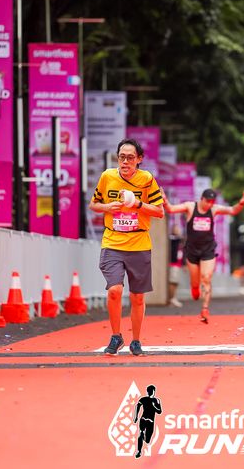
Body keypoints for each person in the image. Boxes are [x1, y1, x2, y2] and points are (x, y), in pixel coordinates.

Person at [89, 139, 164, 356]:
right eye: (121, 157)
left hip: (139, 243)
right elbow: (93, 204)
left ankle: (136, 341)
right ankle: (116, 336)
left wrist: (137, 204)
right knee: (114, 290)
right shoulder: (107, 177)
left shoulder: (146, 179)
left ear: (139, 159)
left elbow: (159, 211)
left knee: (137, 296)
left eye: (130, 158)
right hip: (112, 241)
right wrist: (107, 207)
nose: (125, 162)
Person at [163, 188, 244, 323]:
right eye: (207, 201)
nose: (209, 204)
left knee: (206, 278)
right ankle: (195, 288)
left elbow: (233, 210)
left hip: (208, 250)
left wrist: (242, 203)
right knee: (195, 283)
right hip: (192, 250)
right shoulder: (190, 207)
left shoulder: (214, 209)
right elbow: (170, 209)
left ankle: (205, 309)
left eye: (212, 202)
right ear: (202, 199)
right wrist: (164, 199)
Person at [133, 384, 162, 459]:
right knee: (141, 433)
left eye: (151, 391)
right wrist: (136, 416)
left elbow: (159, 411)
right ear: (148, 392)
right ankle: (139, 451)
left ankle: (143, 438)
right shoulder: (144, 399)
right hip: (145, 419)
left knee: (147, 440)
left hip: (149, 422)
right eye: (149, 391)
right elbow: (138, 406)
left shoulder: (156, 400)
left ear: (153, 391)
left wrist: (154, 406)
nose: (151, 392)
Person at [168, 223, 184, 307]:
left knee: (176, 282)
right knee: (173, 281)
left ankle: (173, 298)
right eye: (176, 229)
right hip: (173, 263)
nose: (178, 230)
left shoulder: (180, 241)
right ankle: (171, 298)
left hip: (178, 264)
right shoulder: (173, 239)